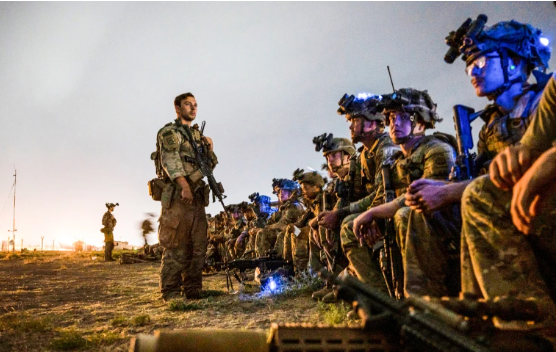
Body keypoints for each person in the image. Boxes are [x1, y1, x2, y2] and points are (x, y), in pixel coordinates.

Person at [460, 71, 556, 335]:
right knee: (479, 192)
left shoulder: (539, 100)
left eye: (480, 61)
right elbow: (528, 150)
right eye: (468, 68)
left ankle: (532, 332)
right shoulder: (492, 124)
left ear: (514, 63)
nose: (474, 73)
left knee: (481, 194)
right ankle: (476, 323)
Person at [352, 88, 456, 297]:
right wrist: (374, 215)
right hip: (408, 224)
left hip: (443, 227)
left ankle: (422, 300)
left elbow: (427, 196)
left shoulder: (437, 150)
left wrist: (377, 212)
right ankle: (382, 298)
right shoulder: (395, 161)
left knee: (406, 215)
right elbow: (383, 195)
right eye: (390, 117)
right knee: (357, 227)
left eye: (402, 117)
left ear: (421, 121)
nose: (394, 123)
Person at [319, 94, 399, 292]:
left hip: (393, 208)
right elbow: (359, 195)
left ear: (372, 124)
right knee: (344, 222)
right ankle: (361, 287)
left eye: (355, 120)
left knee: (348, 225)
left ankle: (379, 297)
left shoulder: (386, 148)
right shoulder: (365, 154)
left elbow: (384, 193)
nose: (350, 127)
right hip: (380, 209)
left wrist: (347, 213)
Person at [156, 92, 218, 302]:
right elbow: (170, 162)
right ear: (177, 108)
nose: (193, 108)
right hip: (179, 197)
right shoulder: (170, 132)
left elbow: (210, 164)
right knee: (176, 244)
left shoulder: (198, 137)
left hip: (198, 197)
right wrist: (184, 186)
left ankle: (192, 289)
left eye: (195, 105)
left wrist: (210, 147)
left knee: (198, 245)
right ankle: (171, 291)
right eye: (188, 104)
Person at [284, 170, 326, 274]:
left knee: (299, 233)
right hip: (314, 229)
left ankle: (302, 272)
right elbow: (302, 220)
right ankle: (288, 265)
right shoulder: (312, 203)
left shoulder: (323, 198)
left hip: (322, 230)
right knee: (293, 229)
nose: (303, 192)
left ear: (316, 187)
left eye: (306, 189)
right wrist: (294, 226)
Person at [255, 179, 303, 258]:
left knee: (278, 234)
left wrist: (270, 227)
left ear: (292, 192)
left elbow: (283, 224)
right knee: (262, 232)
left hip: (298, 232)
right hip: (290, 230)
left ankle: (278, 259)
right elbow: (272, 221)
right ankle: (263, 260)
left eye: (285, 191)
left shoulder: (294, 206)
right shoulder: (285, 207)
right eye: (280, 192)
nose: (281, 194)